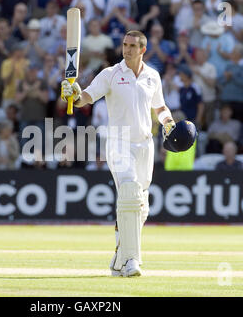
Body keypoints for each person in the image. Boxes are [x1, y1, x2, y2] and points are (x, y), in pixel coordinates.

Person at [61, 30, 176, 277]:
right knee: (130, 192)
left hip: (145, 145)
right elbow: (87, 97)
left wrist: (169, 123)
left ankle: (119, 256)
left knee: (140, 206)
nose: (127, 49)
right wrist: (75, 94)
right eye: (125, 44)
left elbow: (160, 107)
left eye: (133, 46)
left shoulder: (152, 76)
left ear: (143, 50)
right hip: (119, 142)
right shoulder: (111, 74)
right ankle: (132, 261)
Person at [218, 43, 243, 122]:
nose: (230, 54)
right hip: (226, 99)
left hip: (239, 101)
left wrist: (232, 76)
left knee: (237, 122)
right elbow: (221, 81)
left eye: (233, 52)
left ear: (239, 54)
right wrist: (226, 77)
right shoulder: (229, 65)